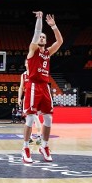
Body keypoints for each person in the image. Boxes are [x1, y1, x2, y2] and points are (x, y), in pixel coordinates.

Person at [21, 11, 63, 163]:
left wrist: (53, 26)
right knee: (31, 119)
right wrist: (39, 19)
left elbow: (59, 42)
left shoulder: (48, 52)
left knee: (49, 119)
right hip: (33, 85)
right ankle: (25, 148)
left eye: (44, 37)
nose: (42, 38)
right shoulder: (33, 50)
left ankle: (44, 146)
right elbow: (37, 32)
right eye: (40, 37)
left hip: (44, 86)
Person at [17, 62, 42, 144]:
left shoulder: (35, 73)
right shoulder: (23, 75)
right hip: (27, 98)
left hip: (35, 97)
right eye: (27, 63)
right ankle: (30, 137)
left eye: (30, 62)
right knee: (28, 118)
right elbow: (21, 87)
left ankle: (39, 137)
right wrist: (19, 98)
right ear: (25, 64)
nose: (28, 64)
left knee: (35, 117)